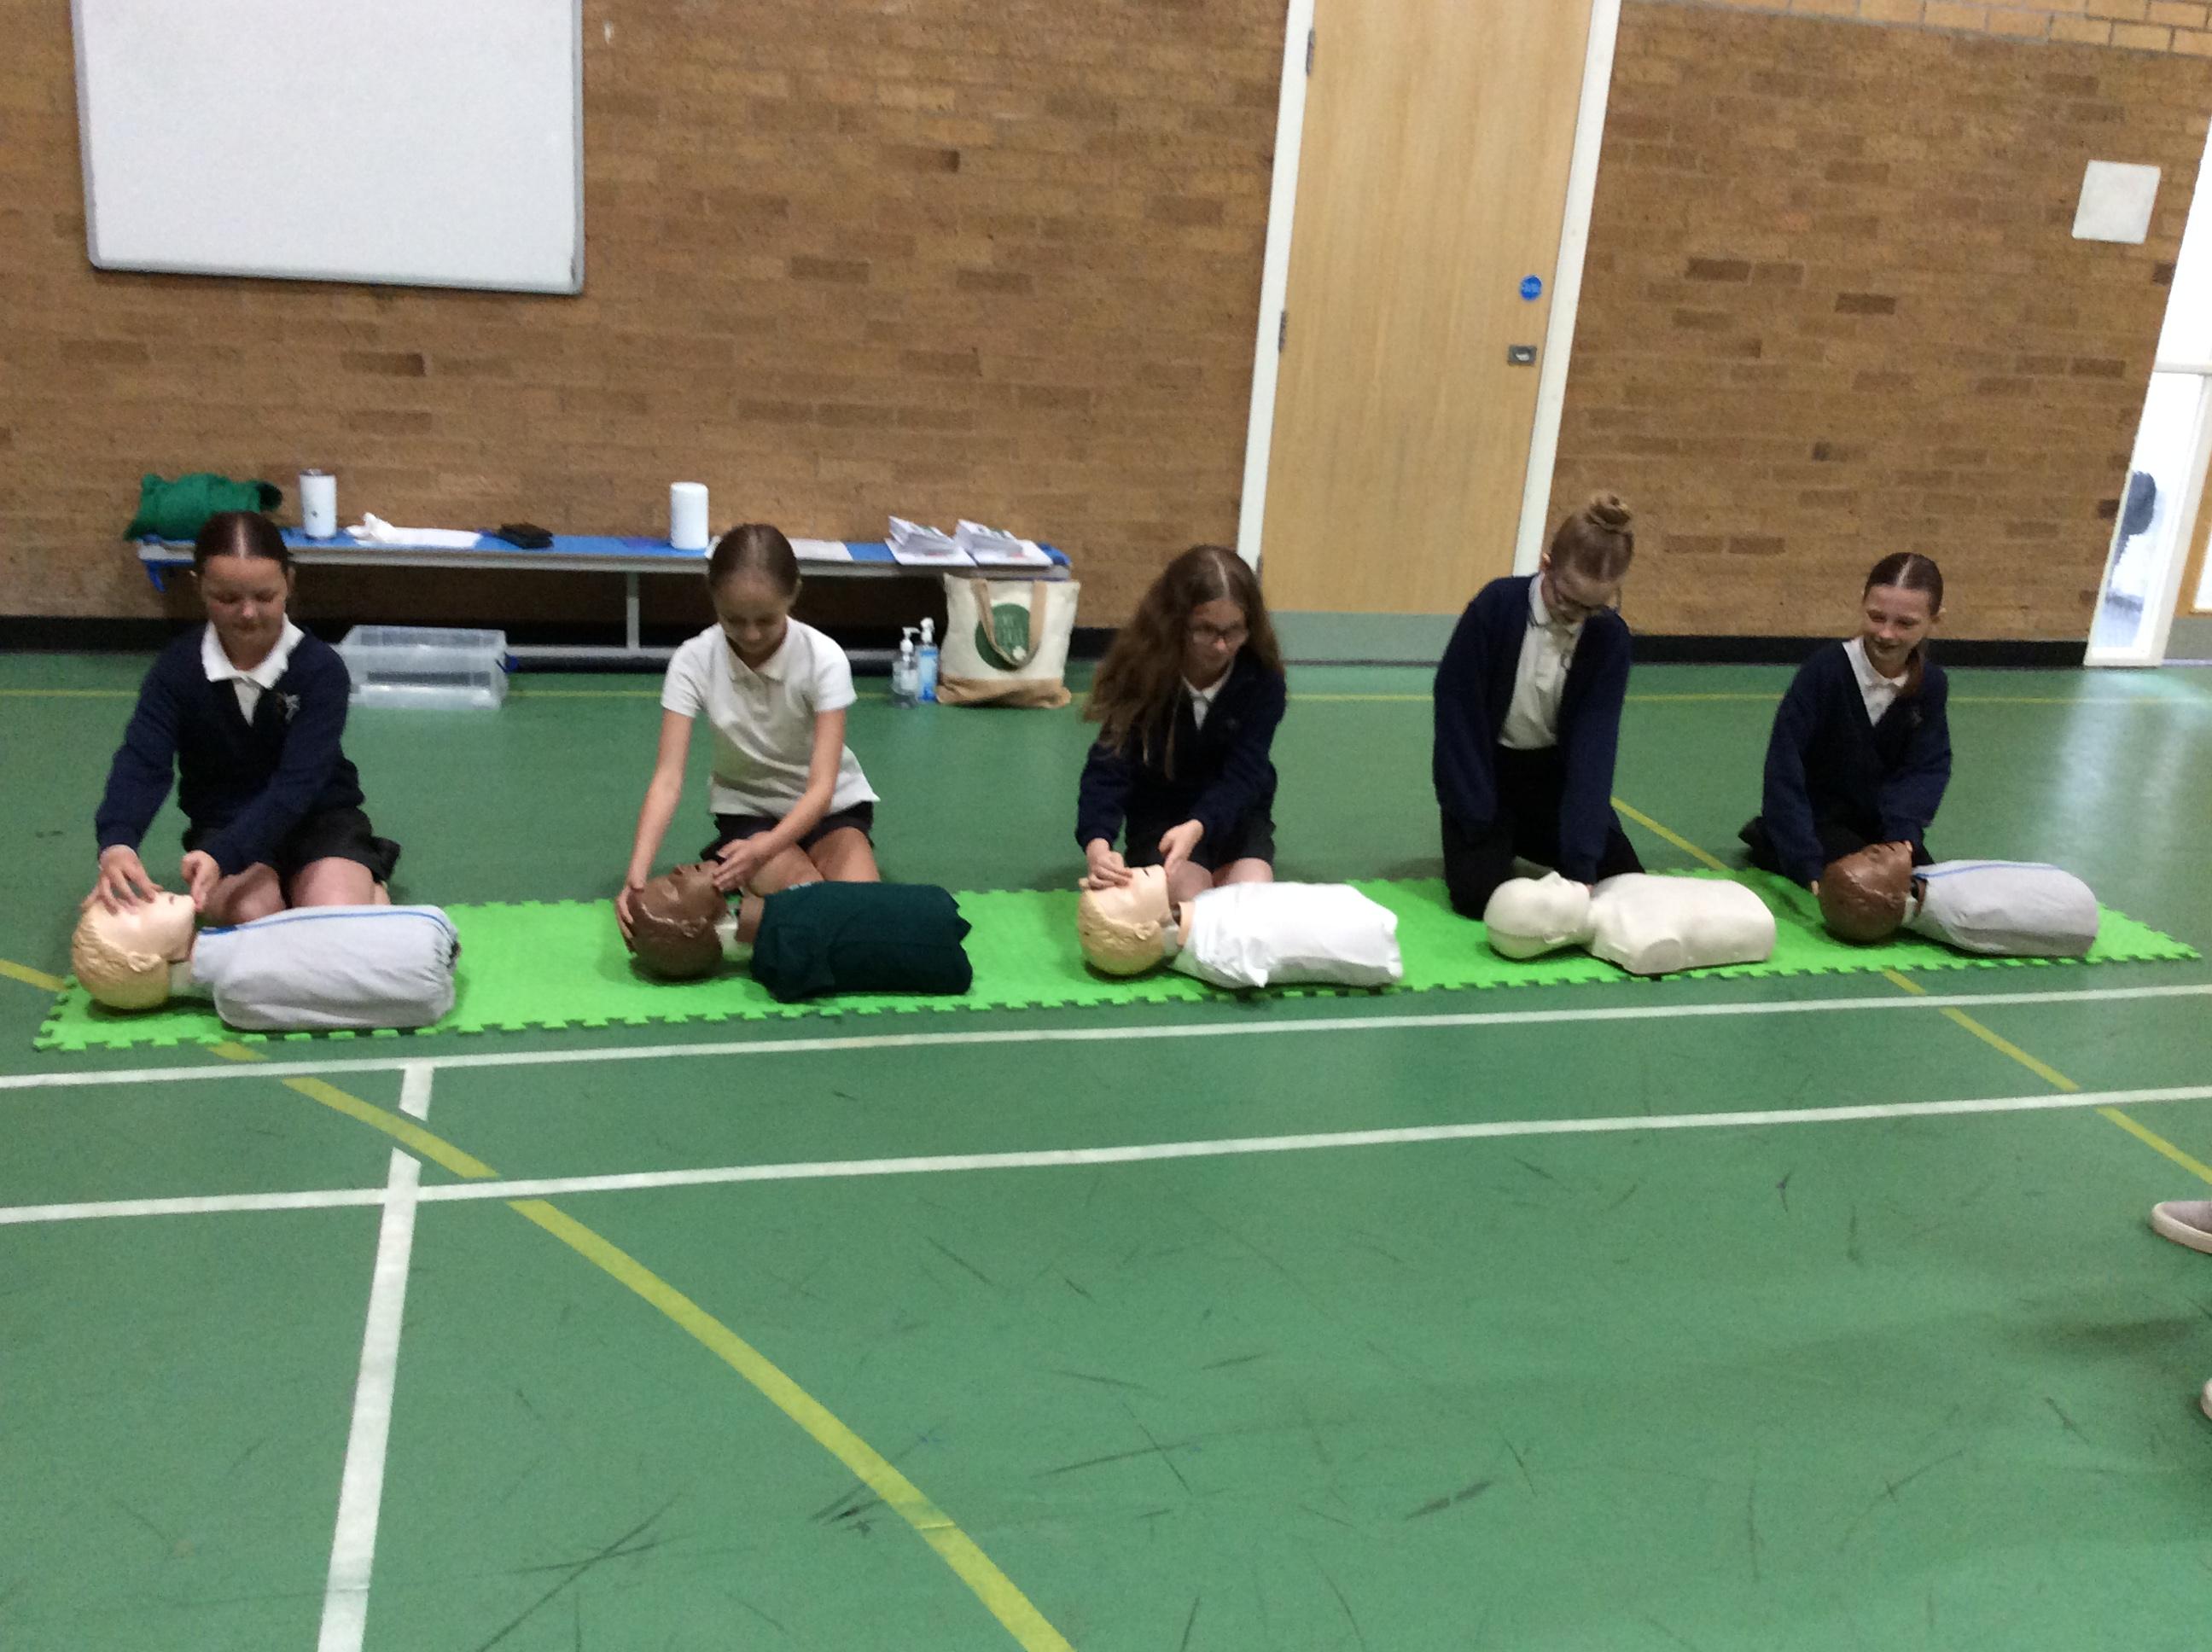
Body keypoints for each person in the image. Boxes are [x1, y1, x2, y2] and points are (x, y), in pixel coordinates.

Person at [91, 511, 399, 924]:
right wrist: (118, 842)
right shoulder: (176, 671)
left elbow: (298, 785)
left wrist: (223, 857)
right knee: (253, 916)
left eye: (265, 596)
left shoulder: (320, 669)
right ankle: (339, 892)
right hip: (225, 821)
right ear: (199, 587)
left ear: (289, 582)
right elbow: (142, 762)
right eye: (228, 599)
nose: (248, 613)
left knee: (332, 915)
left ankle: (359, 880)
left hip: (318, 817)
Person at [617, 525, 878, 942]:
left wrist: (766, 849)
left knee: (864, 909)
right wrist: (636, 876)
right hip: (749, 811)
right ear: (712, 597)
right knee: (807, 895)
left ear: (794, 594)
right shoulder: (692, 660)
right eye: (734, 620)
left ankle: (742, 913)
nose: (751, 635)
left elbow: (822, 789)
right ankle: (755, 902)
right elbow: (667, 780)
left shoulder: (824, 658)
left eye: (766, 620)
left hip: (831, 810)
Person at [1432, 495, 1643, 917]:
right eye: (1567, 599)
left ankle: (1527, 837)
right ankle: (1500, 836)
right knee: (1478, 898)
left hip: (1548, 779)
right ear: (1546, 565)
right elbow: (1457, 716)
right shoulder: (1495, 606)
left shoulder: (1609, 637)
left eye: (1594, 607)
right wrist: (1476, 818)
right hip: (1487, 772)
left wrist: (1582, 861)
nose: (1576, 617)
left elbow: (1595, 747)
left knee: (1625, 879)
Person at [1077, 544, 1287, 909]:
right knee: (1189, 899)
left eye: (1234, 631)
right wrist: (1098, 844)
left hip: (1234, 812)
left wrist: (1200, 824)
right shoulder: (1140, 673)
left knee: (1250, 901)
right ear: (1175, 621)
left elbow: (1246, 772)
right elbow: (1109, 766)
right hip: (1162, 814)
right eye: (1205, 630)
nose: (1221, 646)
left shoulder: (1262, 679)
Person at [1741, 553, 1949, 889]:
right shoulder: (1823, 673)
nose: (1886, 633)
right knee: (1867, 888)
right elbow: (1784, 769)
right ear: (1861, 604)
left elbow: (1926, 768)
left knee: (1927, 889)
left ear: (1934, 620)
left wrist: (1902, 837)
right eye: (1876, 617)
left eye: (1905, 624)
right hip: (1818, 822)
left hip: (1879, 826)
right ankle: (1771, 839)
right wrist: (1804, 860)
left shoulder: (1931, 685)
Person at [70, 888, 457, 1031]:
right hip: (423, 952)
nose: (147, 896)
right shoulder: (237, 993)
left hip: (424, 962)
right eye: (133, 913)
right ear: (142, 961)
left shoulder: (234, 981)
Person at [625, 863, 972, 1003]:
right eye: (672, 885)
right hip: (939, 946)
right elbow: (796, 975)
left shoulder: (781, 926)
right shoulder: (787, 941)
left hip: (934, 917)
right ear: (693, 928)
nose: (678, 869)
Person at [1075, 865, 1402, 990]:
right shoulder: (1218, 953)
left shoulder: (1202, 915)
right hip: (1369, 940)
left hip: (1352, 908)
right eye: (1123, 893)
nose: (1126, 878)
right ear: (1145, 930)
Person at [1816, 843, 2099, 957]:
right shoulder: (1967, 913)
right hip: (2078, 905)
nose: (1875, 848)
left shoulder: (1927, 882)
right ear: (1890, 899)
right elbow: (2079, 921)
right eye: (1873, 859)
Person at [1482, 871, 1776, 977]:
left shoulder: (1610, 884)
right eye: (1545, 896)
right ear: (1554, 936)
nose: (1554, 877)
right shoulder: (1637, 940)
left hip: (1743, 899)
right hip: (1756, 920)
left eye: (1540, 880)